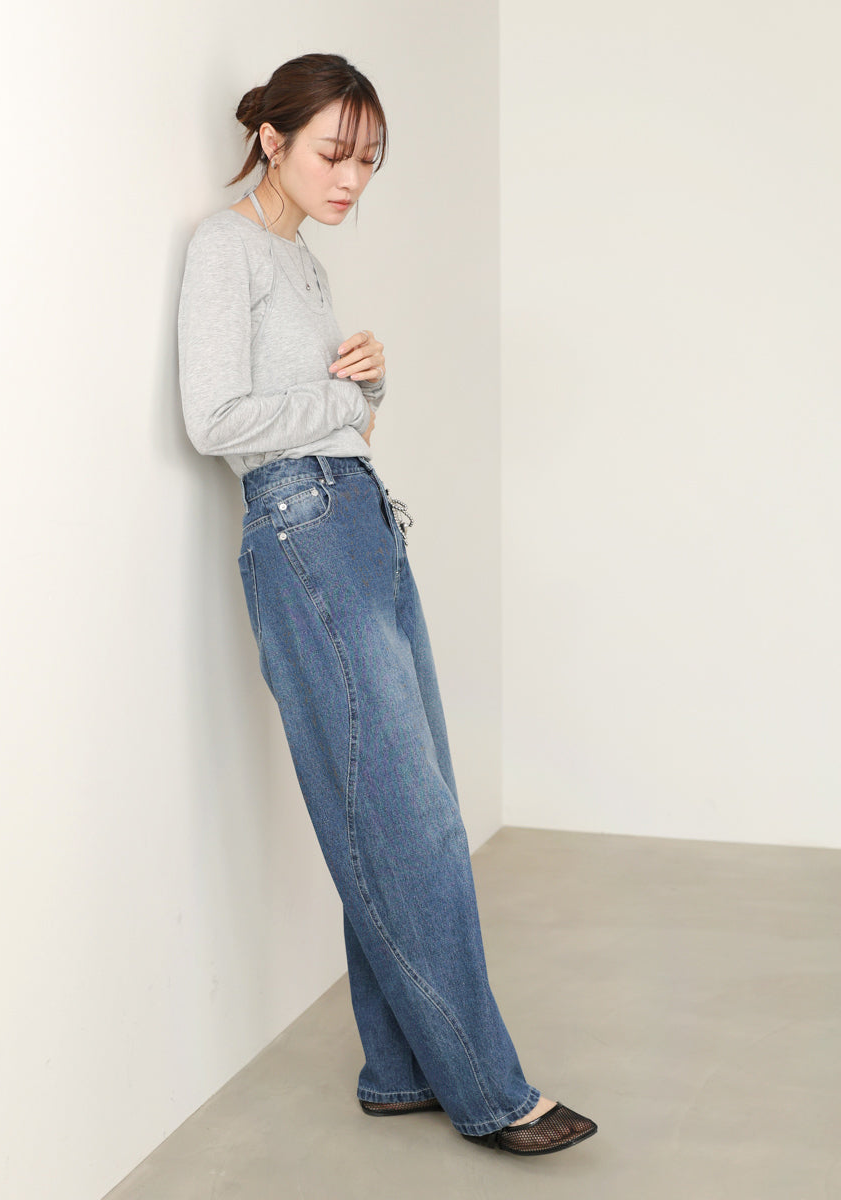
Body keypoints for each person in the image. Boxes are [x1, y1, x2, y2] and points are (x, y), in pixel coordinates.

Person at [177, 52, 597, 1157]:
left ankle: (400, 1068)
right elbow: (214, 418)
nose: (351, 180)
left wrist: (368, 385)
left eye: (367, 162)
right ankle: (490, 1091)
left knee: (408, 805)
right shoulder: (225, 248)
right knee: (410, 822)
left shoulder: (303, 265)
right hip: (303, 528)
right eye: (333, 154)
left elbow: (342, 419)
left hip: (361, 520)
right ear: (271, 139)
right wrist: (340, 397)